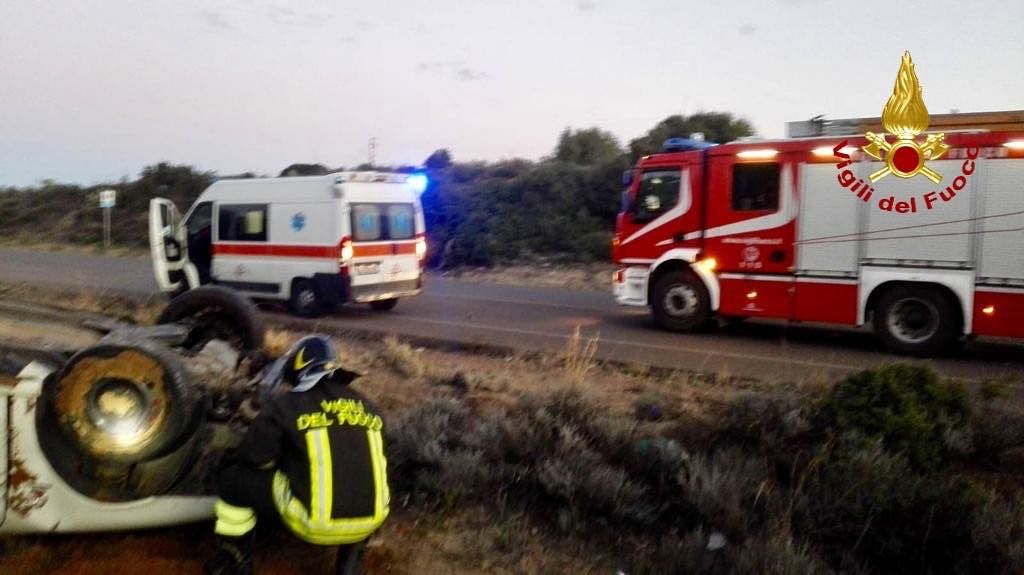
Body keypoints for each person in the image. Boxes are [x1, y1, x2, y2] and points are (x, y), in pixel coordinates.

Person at [209, 335, 390, 575]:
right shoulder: (369, 406)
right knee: (356, 480)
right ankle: (350, 565)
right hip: (371, 521)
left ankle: (234, 559)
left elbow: (255, 458)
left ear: (297, 368)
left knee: (232, 479)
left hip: (313, 523)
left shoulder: (287, 404)